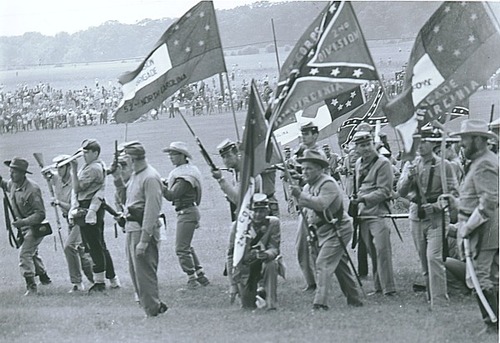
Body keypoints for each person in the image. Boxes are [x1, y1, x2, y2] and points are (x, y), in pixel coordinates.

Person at [441, 119, 499, 334]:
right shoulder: (481, 161)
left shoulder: (484, 163)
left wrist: (468, 226)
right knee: (489, 276)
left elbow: (489, 201)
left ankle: (492, 324)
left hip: (484, 229)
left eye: (465, 138)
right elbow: (477, 197)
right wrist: (456, 203)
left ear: (478, 139)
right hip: (485, 226)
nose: (461, 143)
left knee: (480, 276)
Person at [291, 150, 363, 310]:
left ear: (320, 168)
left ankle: (320, 303)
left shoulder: (328, 183)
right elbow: (309, 212)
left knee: (323, 263)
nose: (305, 172)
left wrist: (300, 196)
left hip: (338, 229)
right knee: (340, 266)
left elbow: (321, 204)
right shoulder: (309, 186)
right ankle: (355, 299)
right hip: (322, 231)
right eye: (303, 169)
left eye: (309, 168)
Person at [397, 128, 459, 307]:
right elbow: (400, 191)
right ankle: (430, 297)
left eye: (425, 141)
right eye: (418, 142)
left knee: (434, 257)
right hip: (416, 215)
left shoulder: (445, 165)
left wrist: (438, 205)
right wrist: (408, 177)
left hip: (436, 218)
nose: (421, 145)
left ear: (433, 143)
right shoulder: (411, 165)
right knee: (424, 260)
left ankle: (440, 301)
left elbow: (454, 193)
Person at [114, 141, 168, 317]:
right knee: (135, 273)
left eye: (125, 158)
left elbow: (152, 211)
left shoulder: (150, 177)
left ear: (131, 158)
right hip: (132, 229)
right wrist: (117, 179)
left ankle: (152, 309)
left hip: (141, 230)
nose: (123, 163)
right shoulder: (136, 176)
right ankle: (151, 306)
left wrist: (144, 240)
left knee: (144, 273)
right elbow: (125, 200)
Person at [211, 138, 262, 302]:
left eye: (228, 156)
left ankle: (241, 288)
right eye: (223, 157)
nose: (225, 160)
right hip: (243, 217)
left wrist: (220, 180)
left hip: (251, 218)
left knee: (236, 253)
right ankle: (240, 287)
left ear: (238, 154)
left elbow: (238, 199)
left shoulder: (249, 174)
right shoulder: (238, 173)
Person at [69, 139, 119, 293]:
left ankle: (99, 282)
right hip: (93, 207)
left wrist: (73, 170)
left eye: (87, 152)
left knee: (94, 246)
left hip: (89, 208)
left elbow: (77, 188)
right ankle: (112, 279)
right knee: (100, 245)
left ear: (95, 153)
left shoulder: (92, 169)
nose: (84, 155)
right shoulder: (96, 166)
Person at [350, 131, 396, 296]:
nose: (367, 148)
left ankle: (389, 288)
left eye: (368, 144)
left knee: (383, 250)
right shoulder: (357, 164)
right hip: (363, 214)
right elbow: (357, 186)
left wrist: (362, 199)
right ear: (356, 148)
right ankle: (378, 287)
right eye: (362, 145)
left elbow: (385, 191)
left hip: (378, 213)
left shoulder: (383, 163)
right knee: (372, 251)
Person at [0, 157, 51, 295]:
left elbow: (40, 214)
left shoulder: (32, 190)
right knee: (32, 253)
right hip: (23, 227)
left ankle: (31, 286)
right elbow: (5, 185)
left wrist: (23, 222)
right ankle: (45, 278)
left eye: (14, 172)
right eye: (10, 171)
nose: (11, 174)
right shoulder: (13, 183)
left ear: (23, 173)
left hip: (35, 227)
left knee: (25, 253)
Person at [162, 141, 210, 289]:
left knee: (181, 248)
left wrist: (158, 184)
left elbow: (172, 195)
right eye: (170, 154)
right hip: (188, 211)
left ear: (183, 156)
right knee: (187, 246)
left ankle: (192, 280)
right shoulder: (186, 171)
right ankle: (200, 275)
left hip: (187, 212)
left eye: (174, 154)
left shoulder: (185, 175)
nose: (171, 157)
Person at [43, 154, 94, 292]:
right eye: (57, 169)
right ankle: (95, 280)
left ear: (67, 167)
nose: (58, 171)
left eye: (61, 168)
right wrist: (46, 172)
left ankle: (78, 283)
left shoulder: (75, 181)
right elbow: (49, 175)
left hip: (78, 219)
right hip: (68, 221)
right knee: (81, 252)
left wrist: (58, 202)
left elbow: (74, 206)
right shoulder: (57, 178)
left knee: (69, 247)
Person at [229, 193, 282, 310]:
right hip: (246, 267)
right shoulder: (238, 226)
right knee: (247, 306)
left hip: (264, 262)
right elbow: (231, 256)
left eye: (262, 211)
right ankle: (256, 292)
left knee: (271, 264)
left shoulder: (273, 223)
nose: (258, 214)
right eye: (255, 211)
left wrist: (267, 254)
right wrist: (233, 284)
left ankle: (271, 303)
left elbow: (275, 248)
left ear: (267, 211)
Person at [292, 122, 327, 292]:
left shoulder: (317, 153)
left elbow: (317, 177)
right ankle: (313, 280)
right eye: (303, 133)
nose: (304, 136)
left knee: (313, 245)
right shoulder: (305, 152)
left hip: (316, 201)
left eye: (307, 133)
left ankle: (318, 281)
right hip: (307, 200)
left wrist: (298, 177)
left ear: (315, 135)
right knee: (303, 245)